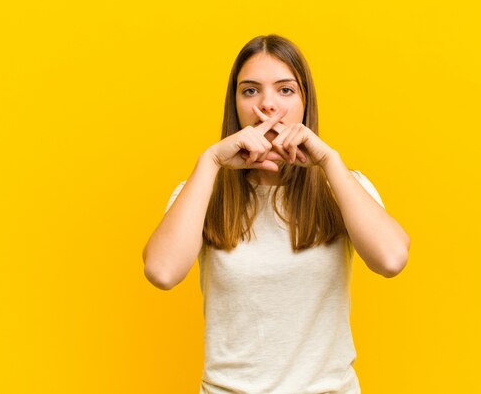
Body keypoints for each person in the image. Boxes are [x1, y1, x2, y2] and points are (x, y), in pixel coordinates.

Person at [142, 34, 410, 394]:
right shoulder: (203, 192)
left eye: (285, 90)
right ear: (235, 104)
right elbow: (162, 272)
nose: (267, 105)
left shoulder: (344, 186)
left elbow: (391, 260)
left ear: (305, 102)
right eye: (250, 91)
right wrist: (209, 162)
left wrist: (329, 162)